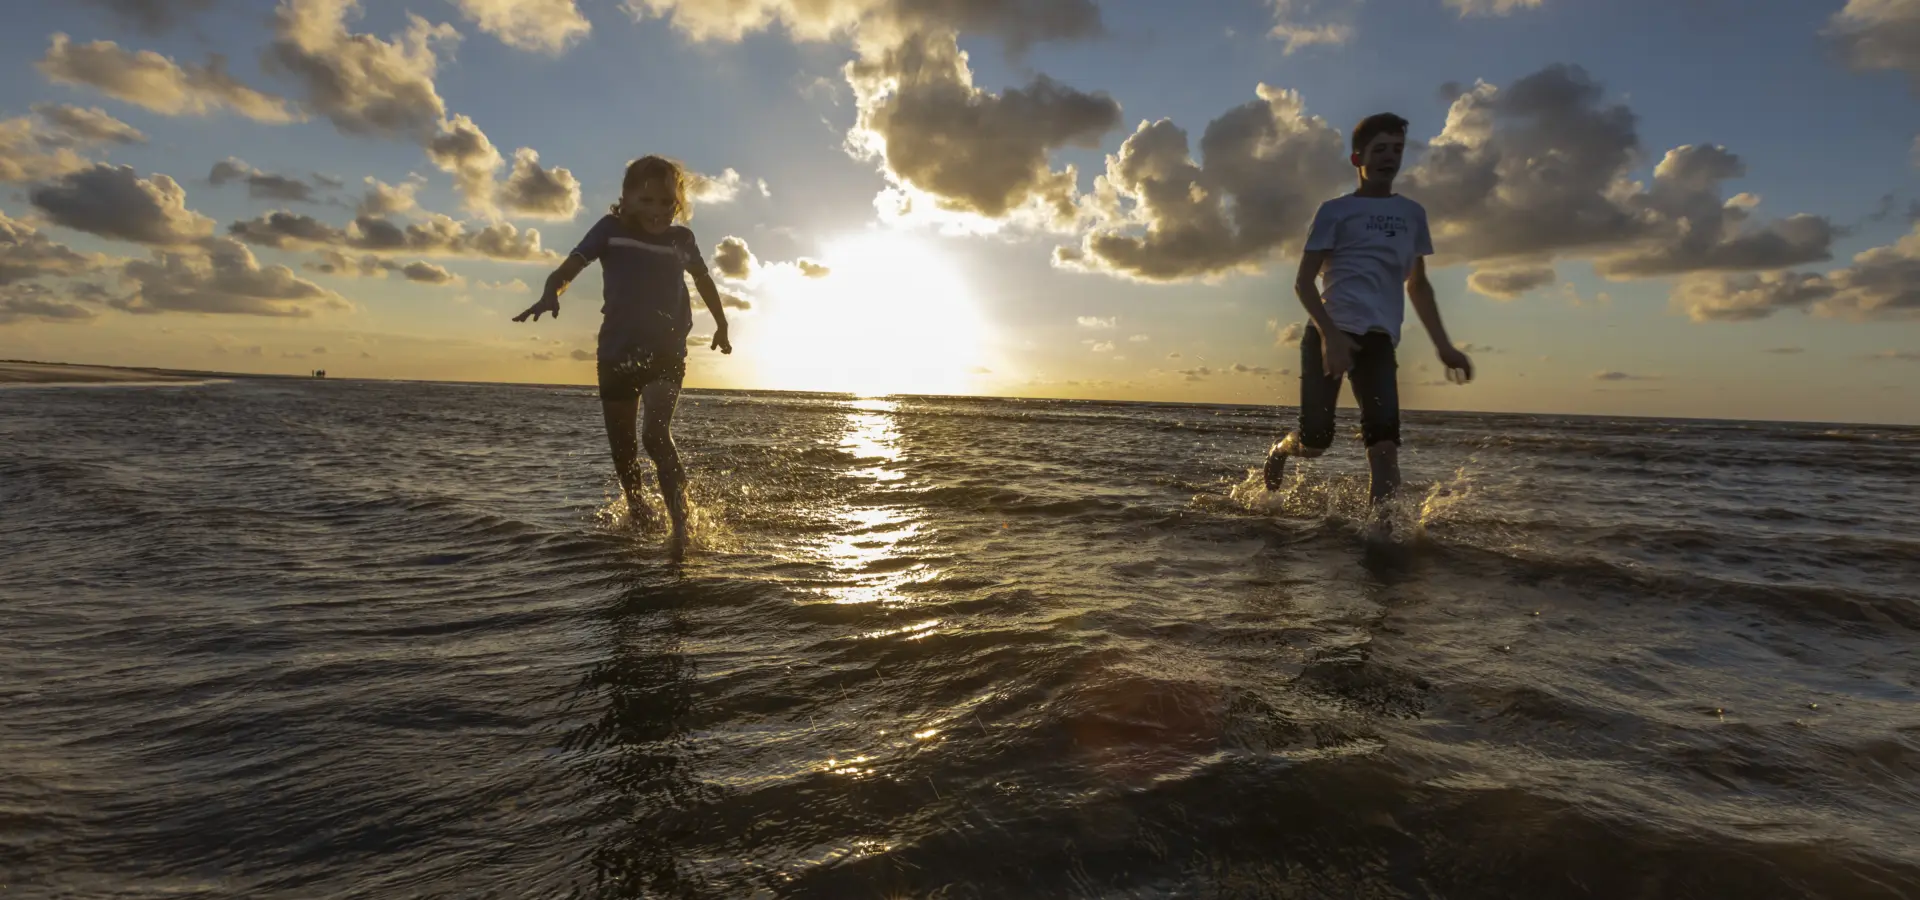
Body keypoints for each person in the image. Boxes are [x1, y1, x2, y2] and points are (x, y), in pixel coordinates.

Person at [515, 155, 732, 556]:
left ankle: (682, 528)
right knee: (623, 448)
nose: (657, 211)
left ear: (678, 202)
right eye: (646, 201)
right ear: (626, 199)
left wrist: (721, 323)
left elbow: (703, 280)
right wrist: (551, 292)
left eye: (667, 202)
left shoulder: (680, 240)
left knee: (654, 434)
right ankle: (637, 509)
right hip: (616, 351)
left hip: (666, 348)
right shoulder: (610, 230)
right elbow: (569, 268)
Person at [1264, 113, 1473, 511]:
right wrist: (1330, 337)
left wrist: (1444, 346)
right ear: (1358, 158)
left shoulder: (1413, 214)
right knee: (1316, 441)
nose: (1389, 158)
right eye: (1380, 150)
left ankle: (1381, 538)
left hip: (1379, 340)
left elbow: (1418, 284)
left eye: (1397, 149)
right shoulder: (1335, 211)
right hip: (1331, 330)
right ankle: (1280, 450)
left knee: (1384, 444)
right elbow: (1303, 283)